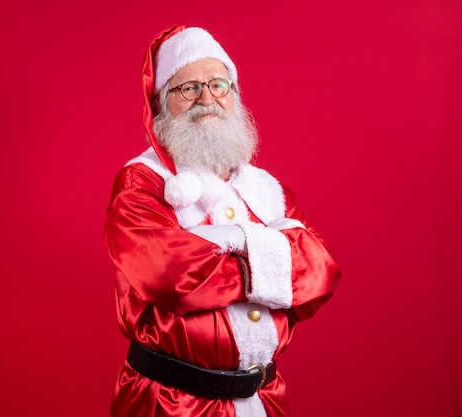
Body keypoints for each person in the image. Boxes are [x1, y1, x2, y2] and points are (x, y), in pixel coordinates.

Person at [103, 25, 342, 417]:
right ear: (161, 102)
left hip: (262, 400)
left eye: (219, 85)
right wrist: (272, 255)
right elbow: (171, 276)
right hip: (171, 402)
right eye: (188, 88)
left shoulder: (266, 189)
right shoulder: (141, 181)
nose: (207, 99)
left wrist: (228, 240)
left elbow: (321, 274)